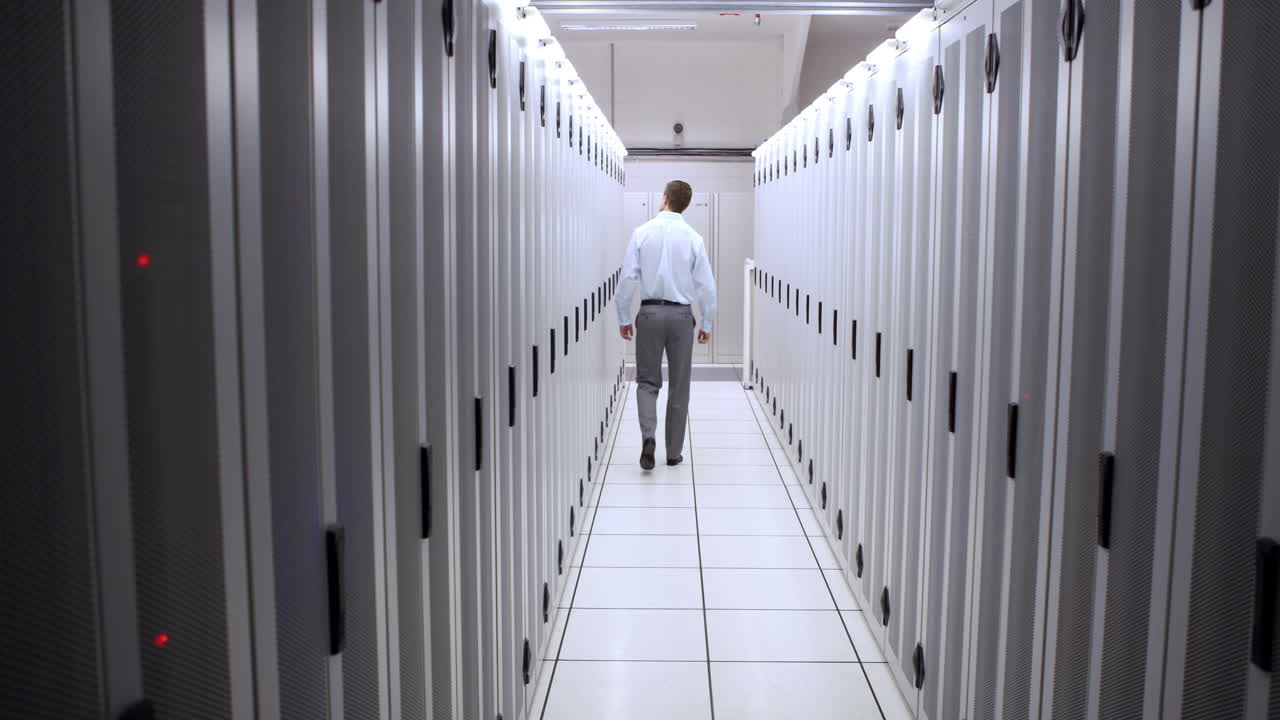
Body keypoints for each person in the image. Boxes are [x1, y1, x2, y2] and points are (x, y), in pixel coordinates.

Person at [616, 180, 718, 470]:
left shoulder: (641, 233)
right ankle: (673, 453)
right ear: (684, 205)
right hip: (681, 317)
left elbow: (627, 280)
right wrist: (707, 322)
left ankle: (649, 438)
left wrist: (624, 316)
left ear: (664, 199)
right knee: (679, 386)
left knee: (647, 382)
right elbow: (707, 287)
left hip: (649, 315)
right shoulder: (693, 238)